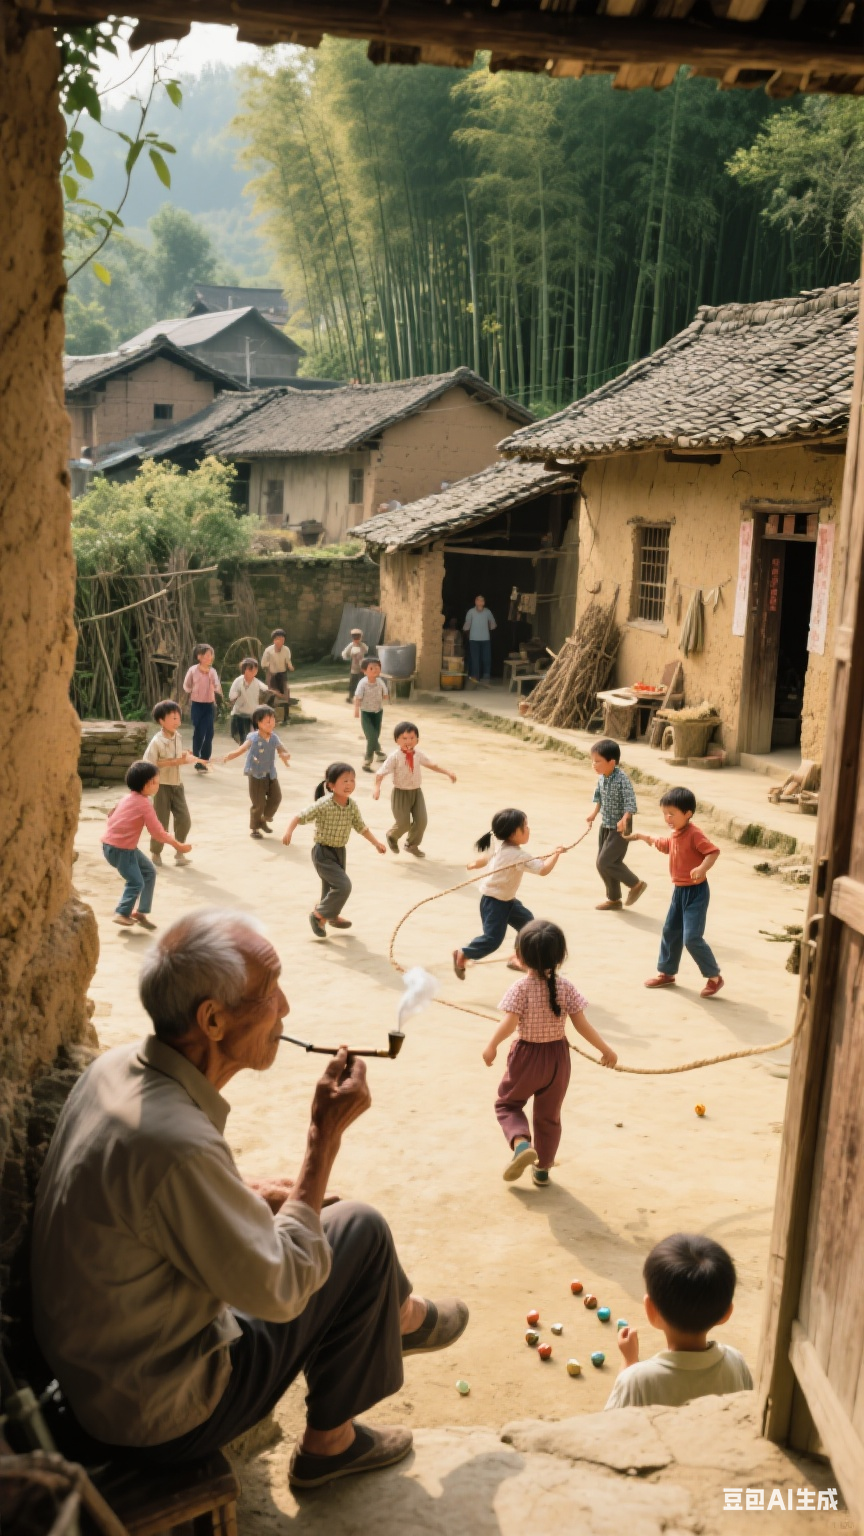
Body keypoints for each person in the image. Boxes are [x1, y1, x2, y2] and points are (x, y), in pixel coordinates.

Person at [31, 912, 469, 1487]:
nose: (285, 1008)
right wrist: (322, 1141)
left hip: (95, 1377)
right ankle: (334, 1441)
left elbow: (151, 1202)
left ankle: (400, 1314)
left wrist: (248, 1193)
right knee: (358, 1227)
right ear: (212, 1019)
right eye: (269, 994)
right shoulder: (177, 1147)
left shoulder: (115, 1069)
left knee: (310, 1215)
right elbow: (283, 1290)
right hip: (158, 1417)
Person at [483, 919, 617, 1187]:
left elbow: (509, 1023)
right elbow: (581, 1024)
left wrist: (492, 1045)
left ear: (519, 957)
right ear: (561, 957)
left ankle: (521, 1144)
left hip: (526, 1057)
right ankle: (543, 1169)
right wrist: (605, 1049)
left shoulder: (519, 988)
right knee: (548, 1115)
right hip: (558, 1059)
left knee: (507, 1104)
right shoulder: (566, 988)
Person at [604, 1234, 752, 1410]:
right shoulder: (735, 1361)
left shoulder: (637, 1380)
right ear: (726, 1313)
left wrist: (629, 1362)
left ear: (651, 1310)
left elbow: (612, 1423)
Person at [626, 786, 724, 997]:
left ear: (687, 814)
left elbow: (713, 852)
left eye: (672, 814)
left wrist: (702, 868)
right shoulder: (676, 833)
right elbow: (666, 845)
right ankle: (667, 973)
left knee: (691, 938)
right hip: (678, 892)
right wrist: (643, 836)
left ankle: (714, 977)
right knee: (670, 931)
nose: (667, 818)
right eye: (664, 814)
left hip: (696, 893)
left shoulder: (694, 834)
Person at [452, 808, 564, 978]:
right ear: (513, 834)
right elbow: (543, 870)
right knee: (492, 939)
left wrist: (476, 864)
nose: (528, 829)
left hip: (506, 900)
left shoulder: (504, 847)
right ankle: (463, 954)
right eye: (525, 826)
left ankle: (519, 958)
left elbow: (489, 858)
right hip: (495, 903)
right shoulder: (518, 856)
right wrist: (556, 854)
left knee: (527, 926)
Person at [283, 763, 386, 937]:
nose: (349, 784)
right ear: (331, 785)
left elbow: (361, 827)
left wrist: (376, 843)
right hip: (323, 853)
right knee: (343, 886)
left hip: (339, 852)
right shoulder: (324, 804)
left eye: (352, 780)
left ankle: (329, 916)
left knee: (330, 888)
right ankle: (318, 915)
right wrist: (288, 831)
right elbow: (300, 816)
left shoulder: (351, 805)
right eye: (344, 780)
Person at [101, 761, 192, 929]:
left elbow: (111, 814)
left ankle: (140, 912)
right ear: (148, 784)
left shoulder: (127, 797)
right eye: (156, 782)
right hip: (122, 850)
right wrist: (178, 845)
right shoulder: (144, 804)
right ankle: (122, 913)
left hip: (111, 846)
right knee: (136, 882)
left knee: (149, 872)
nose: (157, 786)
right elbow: (157, 833)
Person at [373, 720, 456, 858]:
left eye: (412, 738)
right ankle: (392, 835)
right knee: (403, 823)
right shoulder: (395, 756)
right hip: (400, 793)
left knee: (422, 821)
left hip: (417, 792)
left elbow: (431, 765)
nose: (409, 741)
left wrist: (447, 772)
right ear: (396, 740)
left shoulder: (418, 754)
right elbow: (381, 773)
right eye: (404, 738)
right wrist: (377, 788)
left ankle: (411, 845)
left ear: (417, 739)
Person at [586, 738, 647, 912]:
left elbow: (630, 802)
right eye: (593, 761)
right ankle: (614, 899)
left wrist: (624, 819)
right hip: (605, 825)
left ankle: (635, 884)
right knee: (602, 863)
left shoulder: (622, 779)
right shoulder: (601, 779)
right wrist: (593, 814)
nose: (594, 765)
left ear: (611, 762)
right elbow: (599, 799)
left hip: (621, 827)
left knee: (606, 861)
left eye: (598, 761)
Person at [144, 699, 202, 868]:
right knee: (160, 822)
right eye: (173, 718)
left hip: (177, 784)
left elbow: (177, 757)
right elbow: (148, 763)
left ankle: (179, 852)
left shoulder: (177, 736)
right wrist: (173, 762)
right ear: (161, 721)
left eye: (178, 717)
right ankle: (156, 853)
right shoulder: (156, 742)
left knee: (184, 819)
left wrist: (185, 755)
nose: (177, 721)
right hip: (161, 786)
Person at [221, 705, 291, 840]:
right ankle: (255, 828)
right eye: (267, 721)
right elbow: (242, 749)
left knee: (276, 797)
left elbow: (282, 750)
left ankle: (264, 818)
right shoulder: (253, 737)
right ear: (258, 723)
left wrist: (286, 755)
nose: (271, 723)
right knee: (258, 803)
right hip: (256, 774)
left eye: (273, 720)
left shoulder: (274, 738)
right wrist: (230, 755)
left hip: (270, 774)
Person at [182, 643, 223, 770]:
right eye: (207, 655)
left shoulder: (213, 671)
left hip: (209, 705)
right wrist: (193, 691)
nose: (210, 657)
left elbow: (217, 685)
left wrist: (219, 693)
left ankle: (204, 760)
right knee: (199, 732)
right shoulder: (193, 670)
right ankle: (197, 757)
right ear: (199, 656)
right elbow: (186, 686)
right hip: (196, 705)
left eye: (211, 655)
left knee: (209, 733)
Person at [228, 658, 277, 745]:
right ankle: (247, 749)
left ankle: (251, 753)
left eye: (255, 669)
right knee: (236, 736)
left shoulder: (256, 682)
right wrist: (237, 694)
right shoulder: (238, 681)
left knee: (247, 738)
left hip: (252, 714)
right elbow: (231, 696)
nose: (253, 671)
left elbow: (267, 690)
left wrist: (270, 695)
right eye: (250, 669)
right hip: (239, 714)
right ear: (244, 670)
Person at [353, 658, 389, 771]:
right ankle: (368, 759)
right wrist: (356, 710)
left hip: (378, 712)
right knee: (371, 736)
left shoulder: (380, 681)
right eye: (371, 668)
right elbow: (358, 697)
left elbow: (385, 691)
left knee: (375, 735)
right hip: (366, 713)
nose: (375, 670)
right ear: (365, 671)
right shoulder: (362, 683)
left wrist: (385, 696)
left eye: (377, 667)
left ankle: (379, 752)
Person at [462, 596, 497, 685]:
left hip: (485, 639)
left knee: (486, 658)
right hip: (473, 639)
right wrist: (467, 634)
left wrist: (488, 627)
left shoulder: (487, 612)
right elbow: (467, 625)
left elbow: (493, 624)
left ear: (484, 603)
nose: (480, 602)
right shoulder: (471, 612)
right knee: (475, 659)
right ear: (475, 602)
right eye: (478, 600)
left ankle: (486, 677)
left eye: (481, 601)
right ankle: (475, 678)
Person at [260, 628, 294, 706]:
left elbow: (288, 661)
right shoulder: (268, 651)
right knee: (273, 692)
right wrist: (269, 674)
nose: (281, 641)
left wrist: (290, 666)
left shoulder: (286, 650)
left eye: (283, 639)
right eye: (279, 639)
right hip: (272, 674)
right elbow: (263, 664)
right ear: (274, 640)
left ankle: (286, 711)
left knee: (286, 690)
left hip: (282, 673)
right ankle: (273, 711)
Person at [342, 628, 368, 701]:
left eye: (358, 637)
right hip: (354, 667)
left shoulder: (363, 645)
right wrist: (350, 655)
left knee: (361, 682)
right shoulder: (351, 646)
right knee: (353, 682)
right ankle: (351, 696)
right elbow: (344, 654)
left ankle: (361, 697)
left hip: (361, 667)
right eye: (354, 638)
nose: (356, 640)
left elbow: (366, 651)